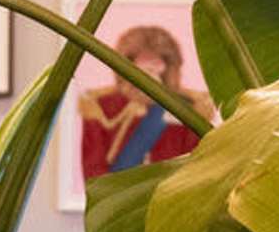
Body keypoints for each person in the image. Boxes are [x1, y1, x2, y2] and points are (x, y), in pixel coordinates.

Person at [79, 22, 202, 187]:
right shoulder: (102, 106)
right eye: (143, 69)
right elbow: (93, 173)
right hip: (119, 203)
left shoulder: (188, 108)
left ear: (168, 70)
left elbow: (196, 171)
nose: (149, 76)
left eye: (155, 68)